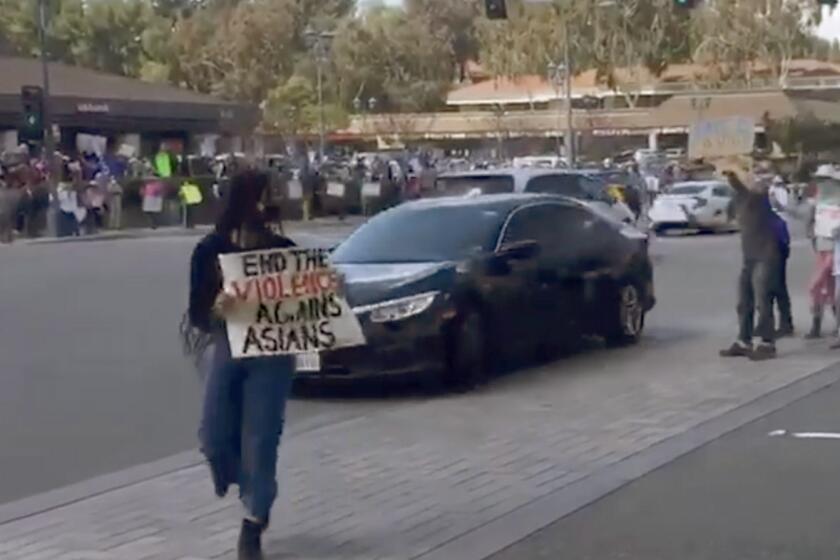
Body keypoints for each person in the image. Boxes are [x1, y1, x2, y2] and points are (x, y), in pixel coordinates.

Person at [186, 170, 296, 560]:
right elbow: (197, 312)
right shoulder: (210, 249)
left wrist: (330, 286)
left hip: (272, 356)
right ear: (246, 200)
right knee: (214, 436)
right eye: (267, 196)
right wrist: (215, 308)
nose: (272, 204)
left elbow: (306, 302)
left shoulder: (283, 248)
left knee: (261, 439)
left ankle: (253, 519)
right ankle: (244, 481)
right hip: (229, 347)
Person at [719, 157, 779, 361]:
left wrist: (736, 169)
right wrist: (725, 167)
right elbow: (733, 184)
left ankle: (767, 343)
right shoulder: (737, 199)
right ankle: (744, 340)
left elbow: (748, 184)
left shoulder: (757, 194)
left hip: (767, 253)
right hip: (749, 255)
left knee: (763, 299)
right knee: (744, 300)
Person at [768, 201, 794, 336]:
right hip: (774, 256)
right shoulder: (775, 220)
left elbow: (783, 242)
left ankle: (785, 324)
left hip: (775, 257)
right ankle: (784, 323)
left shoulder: (773, 221)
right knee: (776, 291)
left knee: (777, 290)